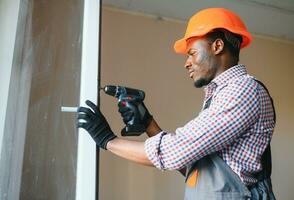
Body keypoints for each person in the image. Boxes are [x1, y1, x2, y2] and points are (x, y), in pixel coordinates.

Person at [76, 8, 276, 200]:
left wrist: (107, 140)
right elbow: (192, 167)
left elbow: (174, 153)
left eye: (192, 53)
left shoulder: (242, 90)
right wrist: (147, 123)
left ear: (217, 46)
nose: (187, 62)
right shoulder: (221, 95)